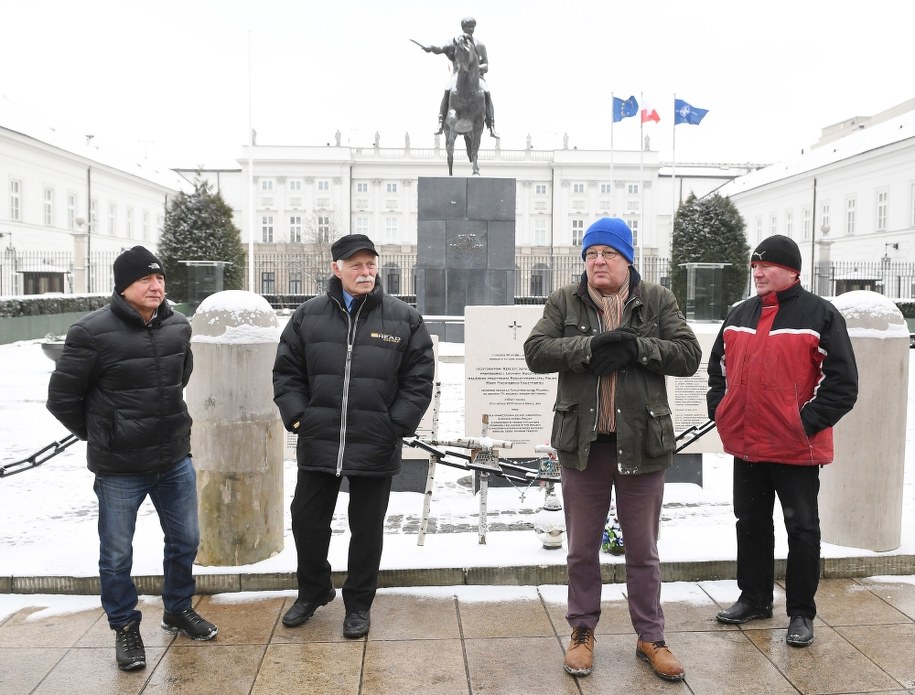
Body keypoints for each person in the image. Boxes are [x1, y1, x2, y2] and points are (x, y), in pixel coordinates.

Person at [524, 217, 701, 681]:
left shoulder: (657, 300)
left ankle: (651, 636)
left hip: (642, 444)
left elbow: (688, 355)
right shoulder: (565, 299)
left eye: (607, 254)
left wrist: (636, 347)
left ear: (628, 260)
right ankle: (582, 631)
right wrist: (590, 346)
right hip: (584, 445)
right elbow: (536, 351)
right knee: (582, 548)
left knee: (643, 549)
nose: (597, 262)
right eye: (590, 254)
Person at [46, 246, 217, 672]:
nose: (156, 286)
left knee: (185, 542)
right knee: (117, 554)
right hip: (119, 467)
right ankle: (125, 627)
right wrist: (105, 434)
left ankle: (177, 609)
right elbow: (62, 399)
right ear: (124, 287)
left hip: (173, 458)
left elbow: (182, 377)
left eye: (159, 279)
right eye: (145, 279)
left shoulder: (178, 327)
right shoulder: (90, 332)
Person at [273, 233, 435, 639]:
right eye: (356, 265)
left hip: (374, 441)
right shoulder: (308, 316)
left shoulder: (403, 318)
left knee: (367, 529)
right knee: (306, 521)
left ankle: (359, 604)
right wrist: (297, 417)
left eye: (370, 264)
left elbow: (419, 378)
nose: (365, 272)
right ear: (337, 269)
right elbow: (287, 372)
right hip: (320, 438)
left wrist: (395, 424)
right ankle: (314, 590)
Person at [707, 234, 858, 647]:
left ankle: (801, 613)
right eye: (754, 265)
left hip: (796, 449)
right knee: (751, 524)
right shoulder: (740, 313)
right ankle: (754, 598)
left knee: (802, 531)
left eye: (766, 265)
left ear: (792, 270)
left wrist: (802, 424)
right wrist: (720, 409)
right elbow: (717, 369)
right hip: (748, 446)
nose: (757, 272)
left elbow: (841, 383)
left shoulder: (820, 314)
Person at [421, 16, 499, 138]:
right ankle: (441, 122)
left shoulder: (480, 45)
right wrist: (430, 48)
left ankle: (492, 125)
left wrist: (475, 69)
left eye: (472, 26)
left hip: (476, 77)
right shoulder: (455, 42)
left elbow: (486, 65)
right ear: (462, 27)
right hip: (458, 76)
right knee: (447, 89)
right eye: (468, 26)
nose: (471, 29)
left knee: (487, 92)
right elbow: (440, 49)